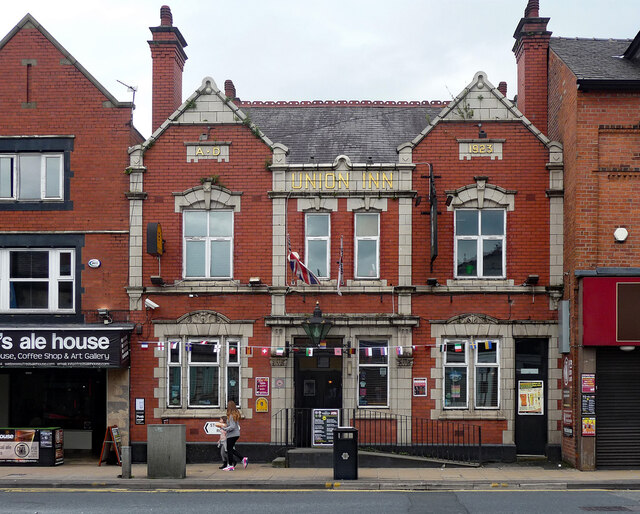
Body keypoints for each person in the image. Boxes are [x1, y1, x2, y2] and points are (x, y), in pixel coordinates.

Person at [219, 401, 248, 471]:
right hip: (236, 434)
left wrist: (225, 429)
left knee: (229, 450)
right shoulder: (235, 415)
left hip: (232, 435)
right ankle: (242, 459)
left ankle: (230, 466)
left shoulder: (231, 416)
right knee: (231, 449)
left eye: (227, 406)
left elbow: (232, 426)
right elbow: (233, 425)